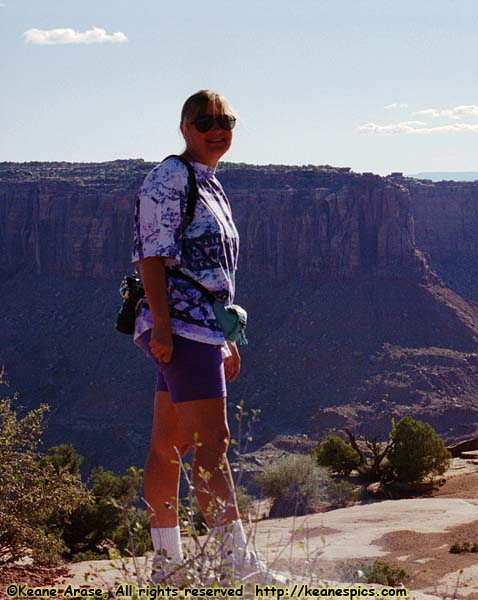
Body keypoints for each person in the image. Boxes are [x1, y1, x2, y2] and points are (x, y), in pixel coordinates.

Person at [132, 90, 281, 585]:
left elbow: (211, 272)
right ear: (184, 127)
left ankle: (167, 567)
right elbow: (151, 258)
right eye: (205, 121)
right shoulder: (169, 178)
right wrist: (166, 329)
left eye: (226, 120)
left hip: (200, 329)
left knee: (168, 445)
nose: (217, 128)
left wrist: (226, 338)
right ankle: (237, 567)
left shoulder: (209, 182)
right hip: (182, 328)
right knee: (212, 444)